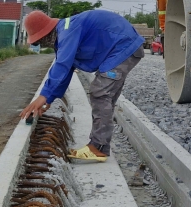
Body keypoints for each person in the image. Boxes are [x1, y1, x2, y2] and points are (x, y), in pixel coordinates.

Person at [20, 9, 145, 162]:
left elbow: (62, 65)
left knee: (100, 93)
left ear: (46, 34)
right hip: (122, 48)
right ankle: (101, 145)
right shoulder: (65, 33)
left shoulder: (67, 31)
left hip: (124, 47)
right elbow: (66, 71)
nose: (42, 44)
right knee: (105, 97)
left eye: (39, 41)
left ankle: (98, 147)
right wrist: (49, 98)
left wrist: (43, 95)